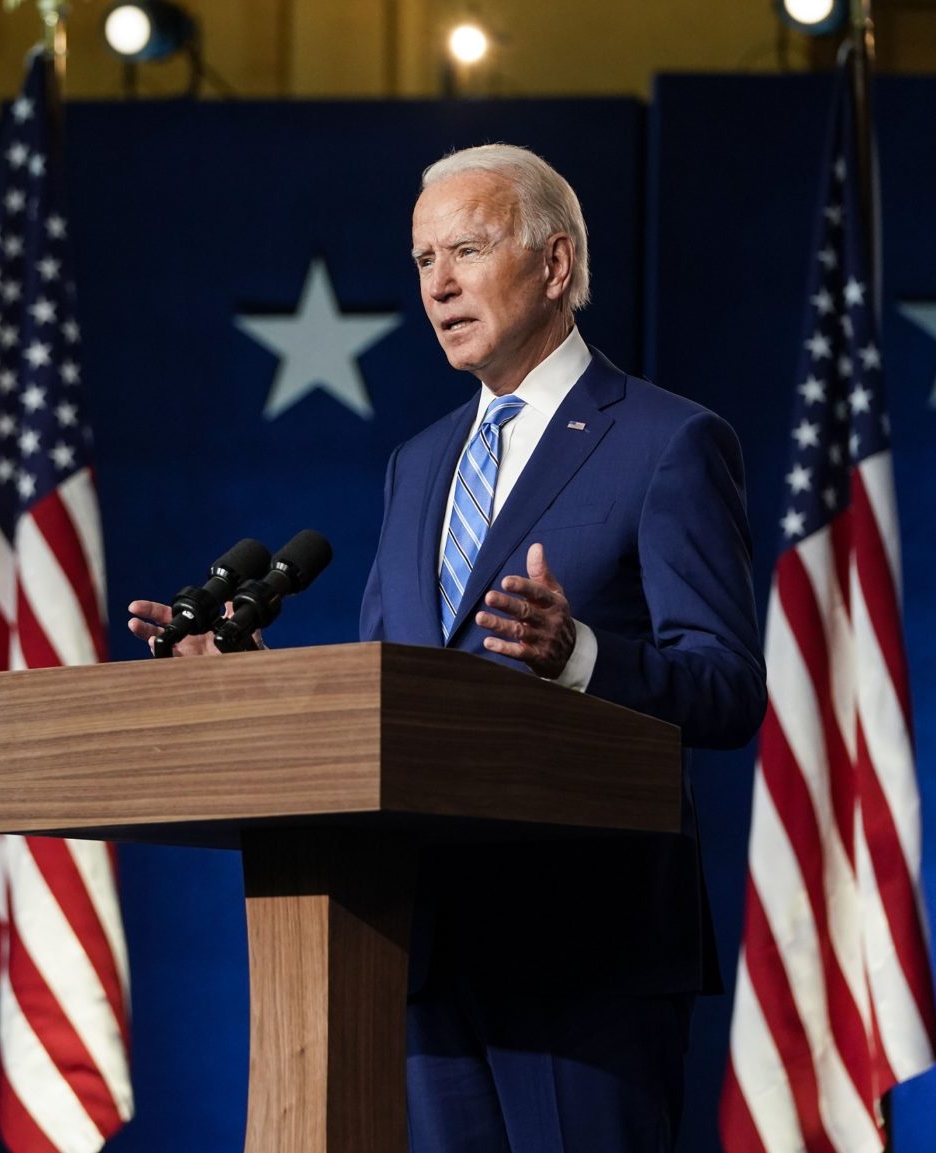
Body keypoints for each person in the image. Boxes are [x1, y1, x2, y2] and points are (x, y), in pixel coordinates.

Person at [130, 144, 765, 1153]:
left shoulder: (666, 441)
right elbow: (389, 689)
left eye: (466, 250)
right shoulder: (418, 464)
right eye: (424, 259)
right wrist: (247, 687)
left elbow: (726, 689)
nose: (436, 285)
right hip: (420, 939)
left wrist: (580, 655)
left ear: (554, 264)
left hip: (583, 953)